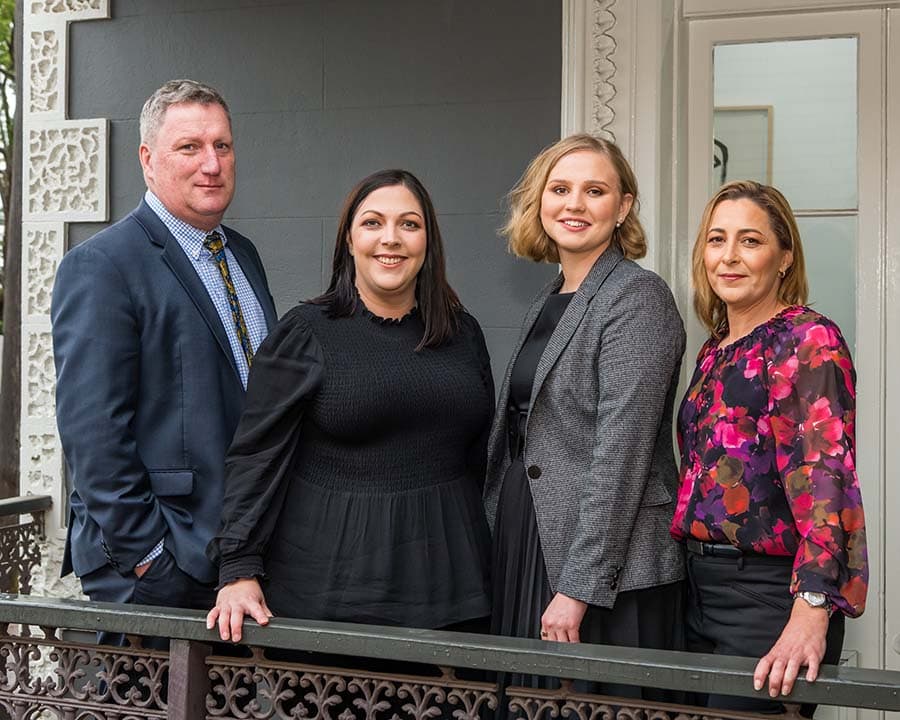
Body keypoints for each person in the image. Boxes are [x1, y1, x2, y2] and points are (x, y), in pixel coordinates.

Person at [206, 169, 493, 644]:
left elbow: (481, 455)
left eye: (409, 225)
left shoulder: (463, 335)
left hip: (455, 590)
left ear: (428, 241)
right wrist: (237, 567)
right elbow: (256, 456)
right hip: (332, 592)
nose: (391, 239)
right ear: (349, 239)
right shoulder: (306, 333)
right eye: (373, 223)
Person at [52, 79, 278, 624]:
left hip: (237, 563)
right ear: (148, 160)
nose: (212, 164)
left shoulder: (242, 256)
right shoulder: (103, 265)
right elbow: (93, 432)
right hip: (156, 572)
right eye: (190, 147)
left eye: (222, 146)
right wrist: (149, 559)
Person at [483, 134, 686, 704]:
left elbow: (620, 455)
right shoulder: (549, 300)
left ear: (622, 207)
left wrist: (578, 586)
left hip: (608, 562)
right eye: (560, 189)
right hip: (531, 532)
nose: (574, 204)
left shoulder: (638, 298)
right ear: (539, 202)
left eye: (594, 190)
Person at [671, 180, 868, 715]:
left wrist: (810, 610)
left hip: (767, 597)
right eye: (716, 240)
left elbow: (827, 481)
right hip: (699, 588)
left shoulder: (806, 339)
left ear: (783, 258)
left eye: (750, 241)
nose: (728, 257)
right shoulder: (715, 348)